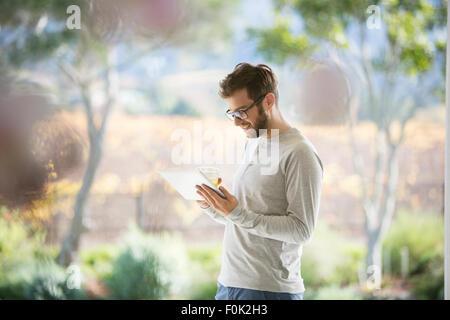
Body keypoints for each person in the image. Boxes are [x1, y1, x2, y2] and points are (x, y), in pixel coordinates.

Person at [195, 62, 323, 300]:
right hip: (229, 285)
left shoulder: (299, 153)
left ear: (269, 101)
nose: (236, 121)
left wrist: (237, 213)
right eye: (231, 113)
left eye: (242, 112)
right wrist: (213, 205)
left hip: (268, 291)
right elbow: (245, 218)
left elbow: (302, 230)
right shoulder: (254, 142)